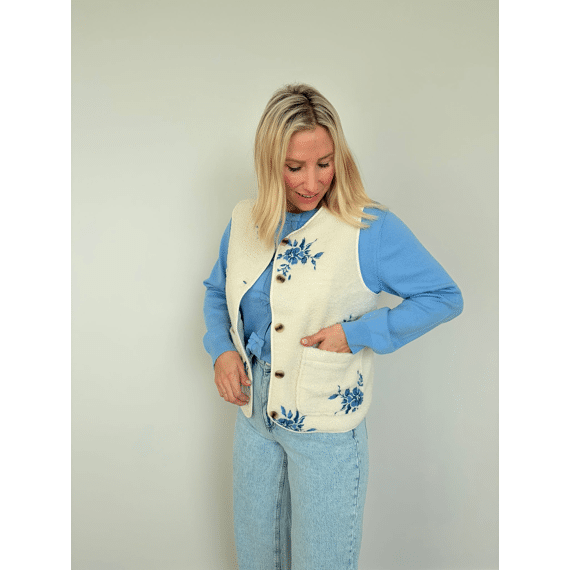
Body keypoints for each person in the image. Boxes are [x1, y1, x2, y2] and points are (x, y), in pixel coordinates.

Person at [202, 83, 463, 570]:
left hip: (326, 426)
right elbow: (218, 291)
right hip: (253, 417)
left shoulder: (369, 228)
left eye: (324, 163)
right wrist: (221, 350)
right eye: (294, 167)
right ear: (269, 163)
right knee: (256, 560)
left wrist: (357, 334)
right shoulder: (244, 220)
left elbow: (443, 297)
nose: (312, 181)